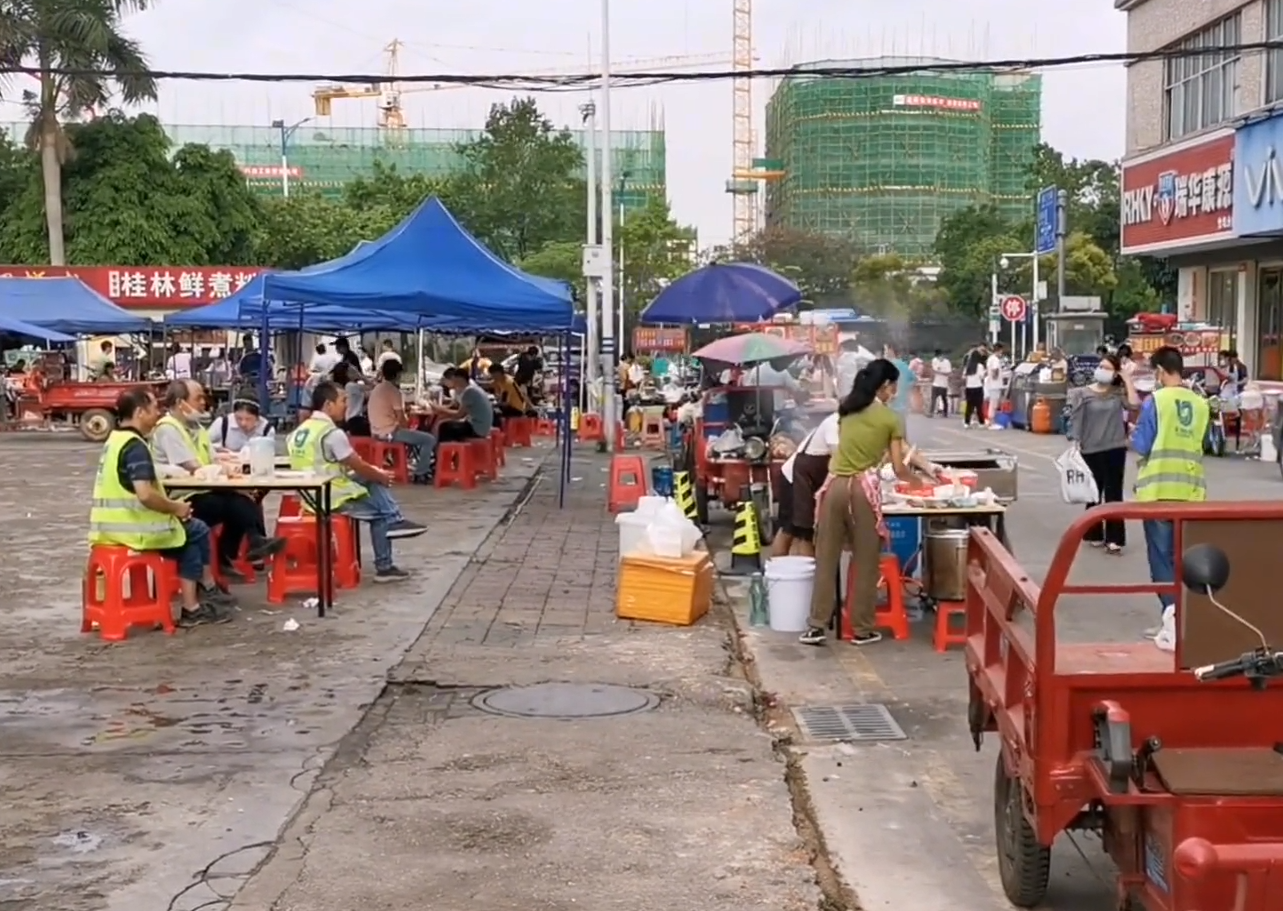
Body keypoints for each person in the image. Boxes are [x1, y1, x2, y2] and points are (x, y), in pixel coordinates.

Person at [799, 360, 943, 646]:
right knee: (866, 560)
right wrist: (921, 483)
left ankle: (816, 626)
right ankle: (862, 629)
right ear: (886, 386)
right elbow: (900, 468)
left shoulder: (846, 409)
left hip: (834, 487)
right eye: (894, 387)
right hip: (862, 491)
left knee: (826, 558)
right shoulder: (891, 419)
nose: (895, 393)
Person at [90, 388, 234, 627]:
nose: (158, 413)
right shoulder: (135, 446)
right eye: (154, 408)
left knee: (188, 541)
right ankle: (205, 591)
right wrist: (175, 508)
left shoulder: (114, 440)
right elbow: (145, 495)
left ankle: (193, 606)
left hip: (108, 530)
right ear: (139, 412)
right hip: (134, 530)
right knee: (197, 529)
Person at [289, 382, 426, 581]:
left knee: (371, 478)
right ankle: (385, 563)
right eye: (343, 400)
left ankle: (393, 518)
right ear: (328, 405)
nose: (347, 405)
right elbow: (357, 464)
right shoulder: (332, 434)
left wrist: (374, 474)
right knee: (378, 503)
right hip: (331, 496)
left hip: (309, 494)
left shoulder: (301, 431)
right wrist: (379, 475)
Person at [152, 380, 286, 580]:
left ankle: (249, 543)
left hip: (202, 488)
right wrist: (222, 471)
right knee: (226, 504)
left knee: (244, 498)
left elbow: (212, 457)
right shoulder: (168, 429)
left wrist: (228, 468)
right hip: (179, 498)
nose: (204, 402)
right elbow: (192, 465)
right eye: (198, 398)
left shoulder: (195, 427)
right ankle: (228, 554)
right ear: (181, 403)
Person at [1131, 345, 1209, 636]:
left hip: (1159, 490)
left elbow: (1142, 444)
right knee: (1184, 556)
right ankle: (1188, 618)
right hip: (1191, 491)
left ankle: (1170, 619)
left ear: (1160, 371)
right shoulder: (1200, 403)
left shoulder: (1156, 401)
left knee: (1161, 557)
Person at [1067, 353, 1139, 555]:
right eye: (1101, 366)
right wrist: (1075, 443)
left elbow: (1135, 404)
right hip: (1090, 448)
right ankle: (1093, 531)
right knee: (1094, 492)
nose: (1102, 370)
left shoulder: (1117, 393)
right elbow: (1076, 419)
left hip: (1115, 447)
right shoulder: (1082, 393)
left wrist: (1127, 379)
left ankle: (1114, 539)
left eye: (1108, 368)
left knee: (1113, 494)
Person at [771, 411, 840, 558]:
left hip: (808, 482)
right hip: (793, 479)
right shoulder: (834, 424)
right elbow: (839, 458)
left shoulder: (845, 425)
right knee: (794, 531)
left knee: (802, 532)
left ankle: (797, 573)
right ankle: (776, 574)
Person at [368, 359, 435, 482]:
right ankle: (421, 472)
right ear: (398, 374)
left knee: (412, 437)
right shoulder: (394, 391)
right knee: (428, 439)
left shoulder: (377, 389)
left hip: (376, 431)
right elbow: (402, 421)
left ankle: (406, 467)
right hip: (390, 432)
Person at [433, 367, 494, 442]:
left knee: (444, 427)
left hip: (477, 429)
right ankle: (446, 449)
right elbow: (456, 408)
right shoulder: (471, 389)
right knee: (448, 423)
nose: (453, 381)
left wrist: (439, 409)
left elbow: (459, 415)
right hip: (480, 427)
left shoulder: (469, 392)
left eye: (454, 379)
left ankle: (443, 451)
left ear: (459, 379)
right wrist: (442, 410)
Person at [209, 399, 275, 452]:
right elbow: (203, 445)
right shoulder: (222, 423)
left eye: (248, 419)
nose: (243, 423)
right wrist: (215, 449)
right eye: (238, 418)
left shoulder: (267, 430)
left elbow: (268, 454)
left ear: (257, 418)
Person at [331, 361, 369, 436]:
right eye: (352, 369)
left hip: (348, 421)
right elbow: (374, 388)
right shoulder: (351, 386)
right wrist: (361, 376)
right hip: (356, 422)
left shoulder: (342, 387)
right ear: (347, 373)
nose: (355, 369)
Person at [962, 343, 987, 427]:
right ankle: (981, 422)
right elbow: (982, 376)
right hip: (978, 387)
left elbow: (964, 377)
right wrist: (985, 372)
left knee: (969, 406)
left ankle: (966, 422)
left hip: (969, 387)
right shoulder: (980, 366)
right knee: (979, 406)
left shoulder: (968, 367)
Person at [984, 342, 1006, 427]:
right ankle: (991, 421)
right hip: (995, 384)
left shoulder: (990, 358)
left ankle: (990, 421)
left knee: (992, 403)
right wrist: (995, 377)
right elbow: (995, 370)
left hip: (990, 384)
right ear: (1000, 350)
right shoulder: (996, 359)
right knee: (994, 403)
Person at [929, 349, 951, 417]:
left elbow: (948, 373)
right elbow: (933, 370)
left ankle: (945, 412)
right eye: (938, 357)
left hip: (943, 384)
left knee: (944, 398)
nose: (940, 358)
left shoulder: (947, 362)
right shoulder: (934, 360)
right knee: (933, 398)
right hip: (936, 383)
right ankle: (931, 412)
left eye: (941, 356)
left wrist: (939, 372)